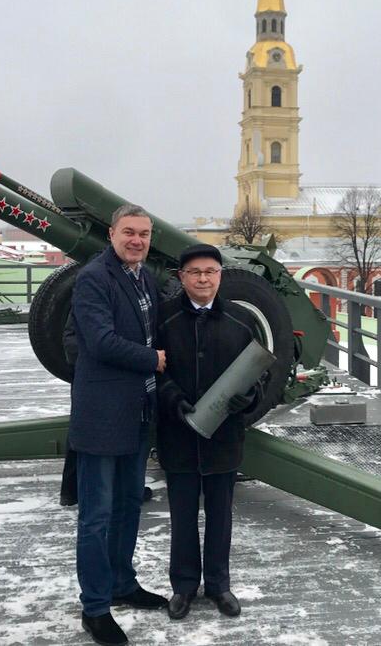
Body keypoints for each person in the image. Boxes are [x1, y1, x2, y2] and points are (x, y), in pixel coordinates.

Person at [69, 203, 168, 646]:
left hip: (138, 409)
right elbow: (100, 342)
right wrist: (153, 360)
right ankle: (95, 608)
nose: (137, 240)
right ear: (112, 234)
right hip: (102, 414)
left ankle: (122, 583)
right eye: (129, 232)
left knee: (128, 505)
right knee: (96, 516)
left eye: (144, 234)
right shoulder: (94, 278)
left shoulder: (143, 278)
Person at [157, 244, 265, 621]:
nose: (203, 279)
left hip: (224, 436)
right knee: (183, 515)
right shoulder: (164, 320)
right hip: (179, 433)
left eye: (211, 272)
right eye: (195, 272)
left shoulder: (241, 320)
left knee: (221, 515)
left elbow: (258, 371)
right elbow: (153, 370)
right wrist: (173, 399)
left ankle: (219, 585)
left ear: (220, 275)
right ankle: (184, 586)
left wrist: (249, 397)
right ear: (182, 277)